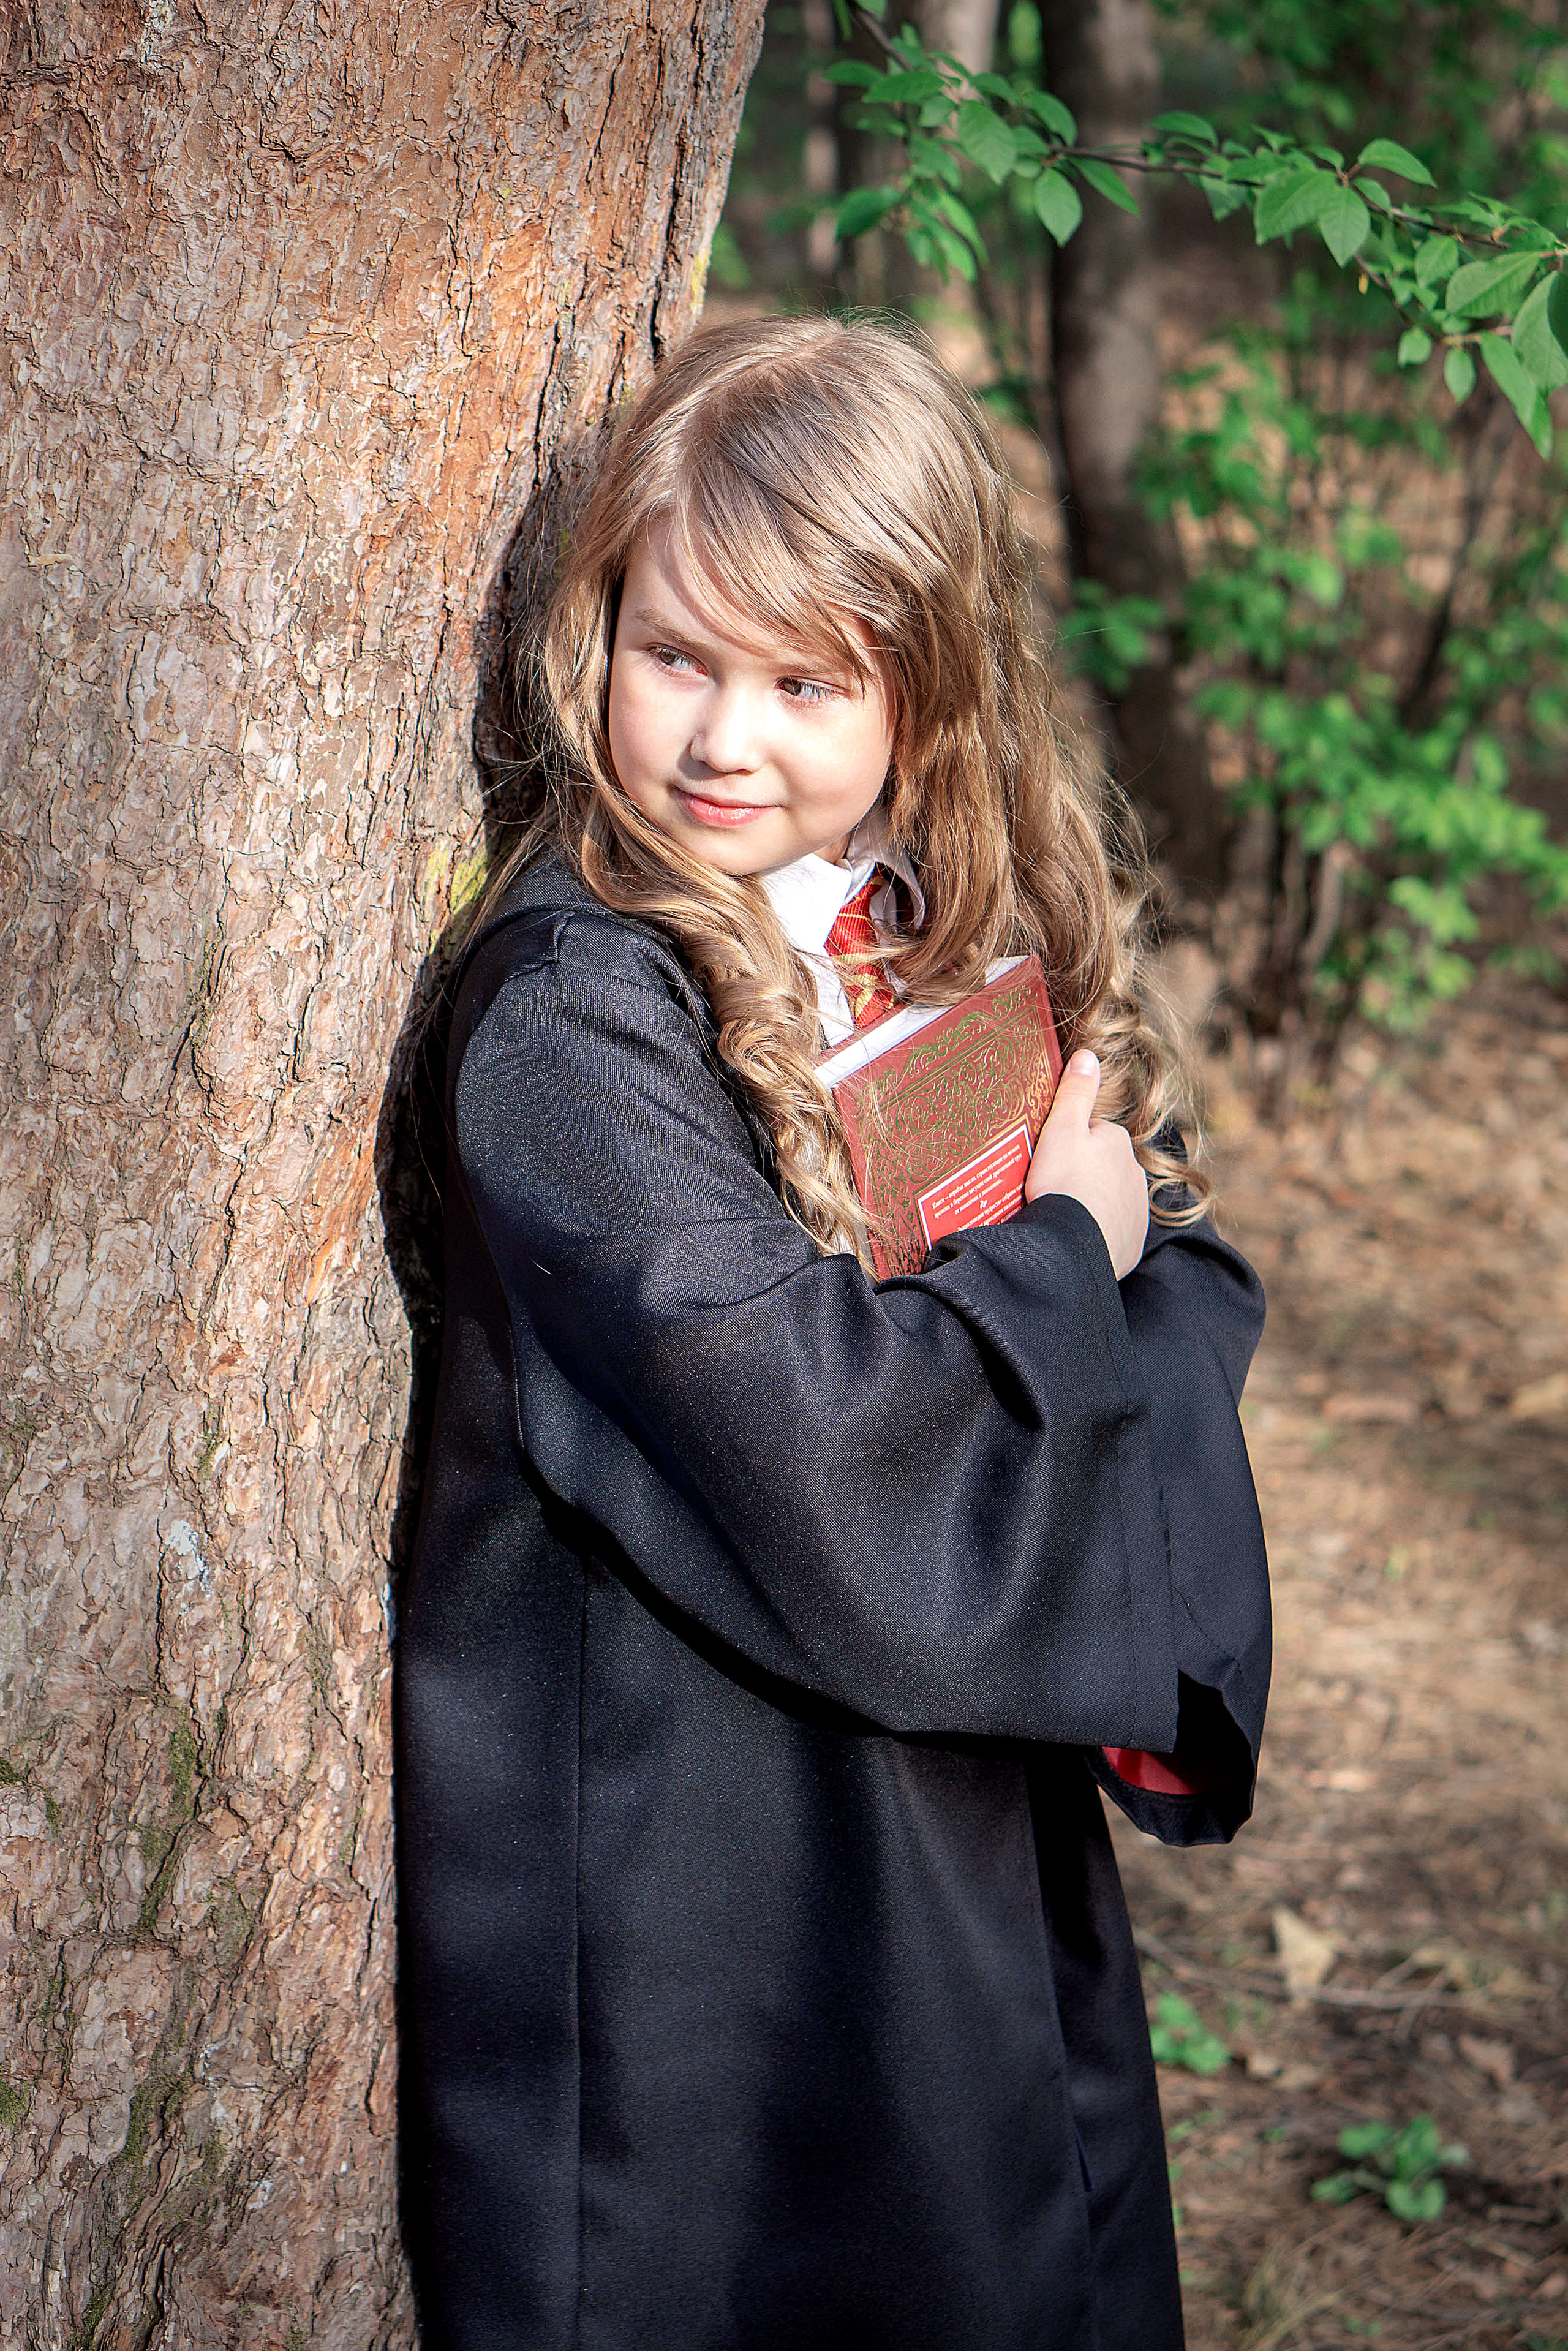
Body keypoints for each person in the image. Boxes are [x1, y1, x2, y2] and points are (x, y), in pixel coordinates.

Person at [397, 314, 1270, 2351]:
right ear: (591, 627)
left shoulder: (932, 910)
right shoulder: (577, 1015)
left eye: (808, 681)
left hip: (942, 1812)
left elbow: (1193, 1268)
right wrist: (1066, 1244)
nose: (723, 738)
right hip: (697, 1880)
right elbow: (837, 1457)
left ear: (925, 691)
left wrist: (1102, 1245)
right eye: (676, 655)